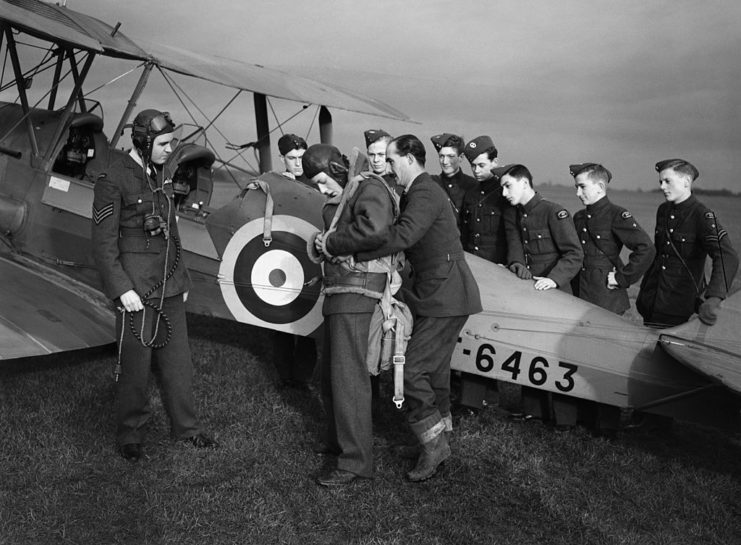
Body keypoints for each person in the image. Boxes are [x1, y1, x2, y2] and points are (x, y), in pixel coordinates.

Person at [328, 134, 482, 482]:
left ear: (410, 158)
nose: (390, 166)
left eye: (393, 159)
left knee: (411, 371)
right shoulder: (419, 191)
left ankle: (434, 445)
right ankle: (437, 438)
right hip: (439, 293)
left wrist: (354, 251)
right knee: (436, 373)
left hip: (445, 294)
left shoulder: (425, 191)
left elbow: (404, 235)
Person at [91, 109, 216, 461]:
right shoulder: (112, 177)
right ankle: (130, 434)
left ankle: (187, 429)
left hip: (168, 282)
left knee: (179, 363)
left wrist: (182, 277)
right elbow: (102, 242)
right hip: (136, 288)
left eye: (170, 142)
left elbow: (170, 228)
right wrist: (121, 288)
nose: (169, 148)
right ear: (145, 143)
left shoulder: (161, 173)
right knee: (135, 364)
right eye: (163, 143)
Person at [305, 144, 400, 486]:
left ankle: (356, 462)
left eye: (321, 180)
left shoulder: (368, 186)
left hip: (356, 292)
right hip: (340, 291)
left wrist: (331, 244)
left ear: (335, 168)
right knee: (332, 376)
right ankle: (337, 441)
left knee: (349, 379)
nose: (320, 189)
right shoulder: (351, 190)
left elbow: (375, 230)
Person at [500, 163, 583, 427]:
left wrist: (553, 279)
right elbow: (515, 246)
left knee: (560, 356)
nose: (504, 193)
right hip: (528, 296)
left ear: (524, 183)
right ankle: (534, 411)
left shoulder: (552, 211)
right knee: (531, 352)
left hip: (556, 297)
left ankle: (565, 417)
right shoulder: (515, 214)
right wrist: (517, 265)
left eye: (508, 186)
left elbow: (574, 254)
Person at [637, 158, 738, 327]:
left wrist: (714, 297)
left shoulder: (703, 216)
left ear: (686, 182)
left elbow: (727, 256)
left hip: (678, 305)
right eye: (661, 182)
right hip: (651, 300)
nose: (662, 187)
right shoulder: (663, 210)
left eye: (668, 181)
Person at [570, 163, 655, 314]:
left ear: (600, 186)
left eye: (582, 186)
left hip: (605, 298)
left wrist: (622, 278)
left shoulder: (616, 215)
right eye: (576, 187)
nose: (578, 193)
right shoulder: (579, 217)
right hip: (578, 294)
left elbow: (646, 248)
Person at [271, 133, 318, 389]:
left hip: (310, 256)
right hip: (282, 255)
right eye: (292, 158)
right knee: (279, 316)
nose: (298, 163)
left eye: (302, 157)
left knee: (309, 317)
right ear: (282, 158)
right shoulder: (275, 182)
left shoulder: (317, 183)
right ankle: (284, 373)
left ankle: (303, 375)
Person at [459, 135, 509, 264]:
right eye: (473, 166)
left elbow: (512, 234)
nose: (476, 171)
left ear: (495, 162)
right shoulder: (471, 194)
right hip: (471, 261)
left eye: (481, 165)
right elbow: (465, 233)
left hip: (496, 264)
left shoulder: (505, 192)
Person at [430, 133, 476, 227]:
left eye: (450, 156)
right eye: (441, 156)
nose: (445, 162)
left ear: (461, 157)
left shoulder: (473, 185)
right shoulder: (431, 184)